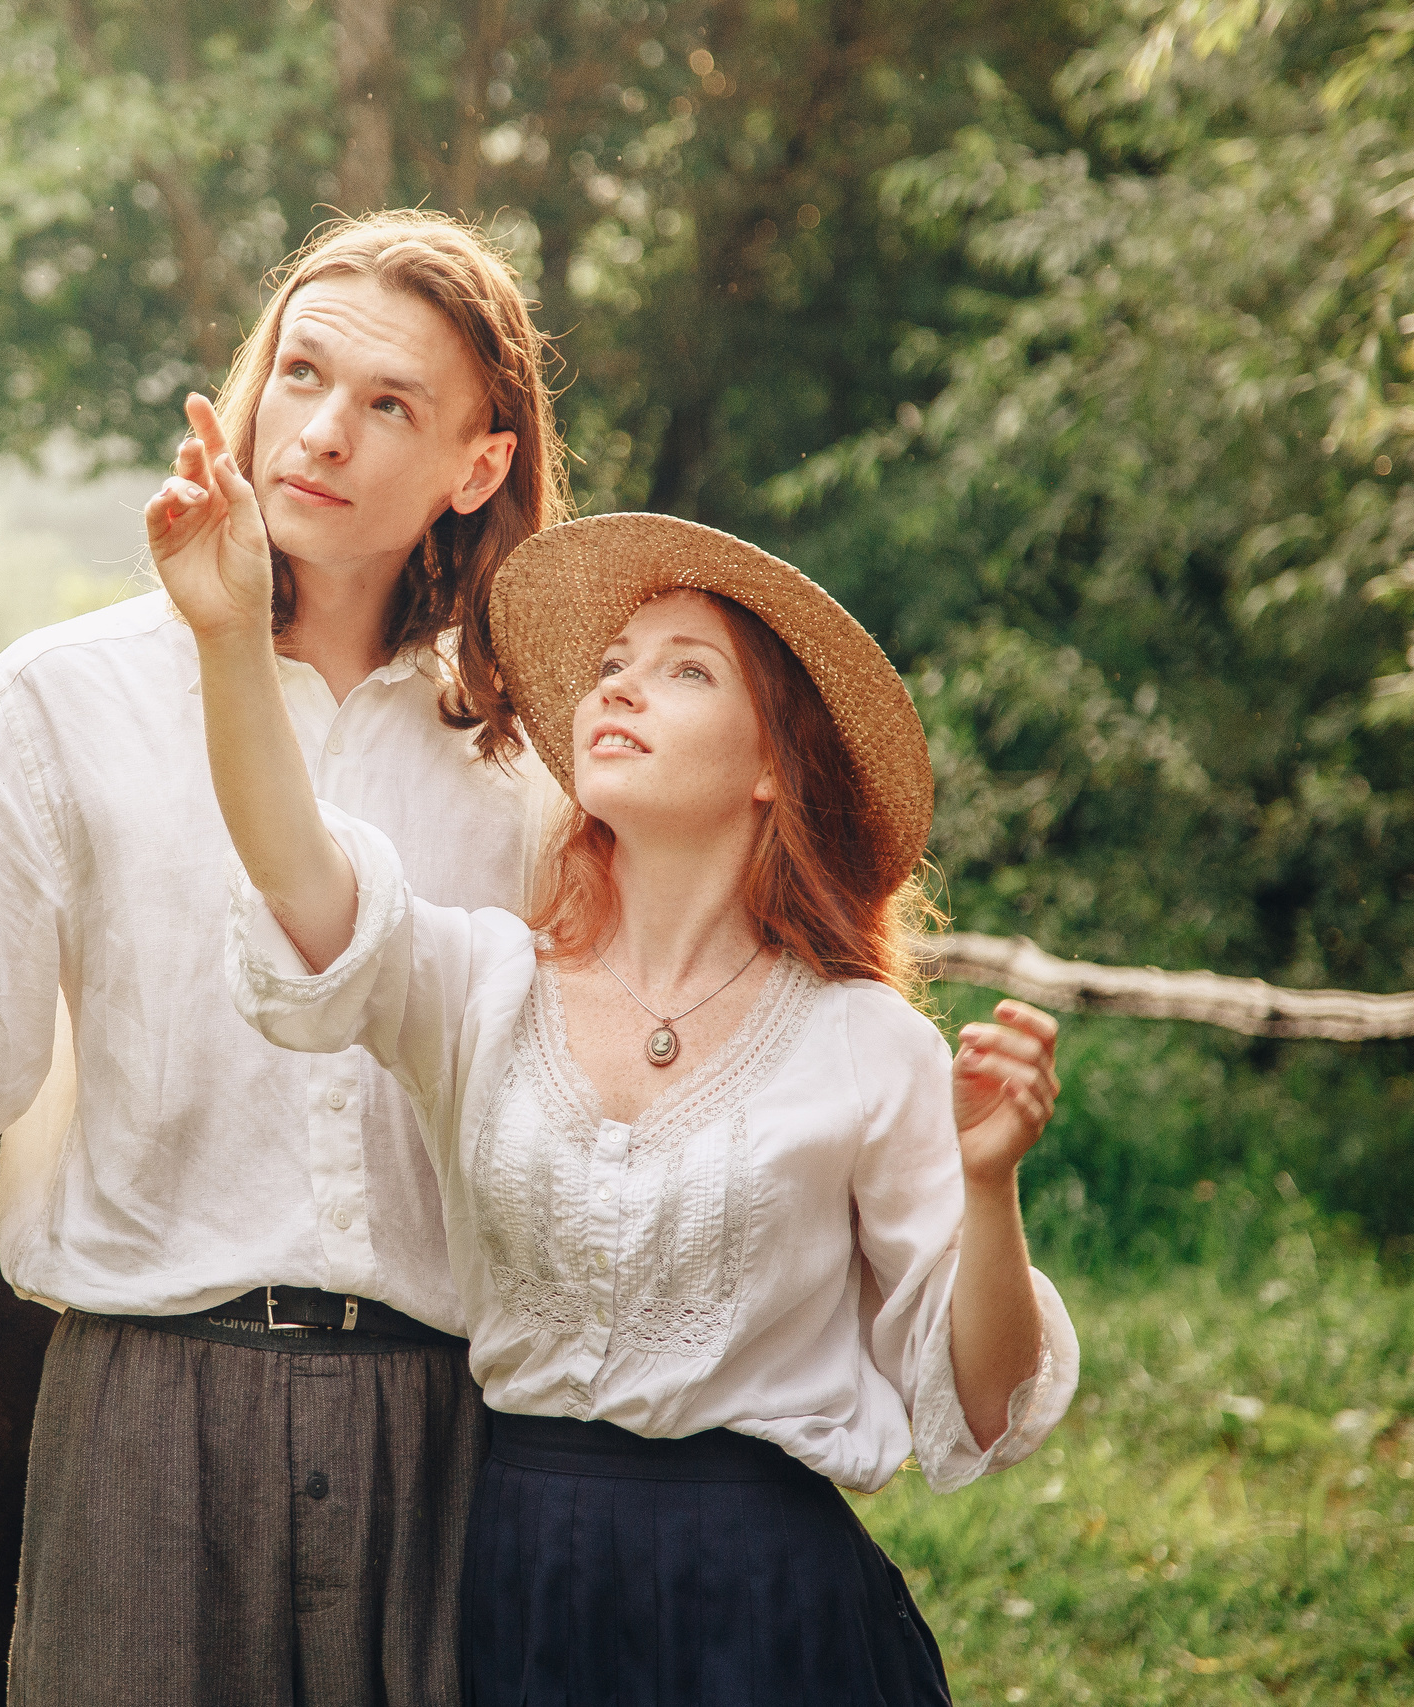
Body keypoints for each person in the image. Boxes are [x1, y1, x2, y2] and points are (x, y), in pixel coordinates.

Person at [0, 216, 1065, 1703]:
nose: (320, 431)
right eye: (302, 373)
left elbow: (657, 1081)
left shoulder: (540, 765)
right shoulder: (63, 699)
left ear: (478, 464)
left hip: (454, 1433)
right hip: (141, 1409)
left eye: (390, 404)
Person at [145, 463, 1079, 1703]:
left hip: (769, 1610)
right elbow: (299, 876)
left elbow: (984, 1399)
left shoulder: (867, 1043)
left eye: (685, 669)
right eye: (610, 667)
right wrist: (226, 635)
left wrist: (988, 1185)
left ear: (770, 767)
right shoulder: (481, 983)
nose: (621, 687)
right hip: (518, 1587)